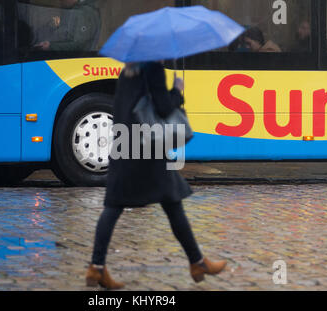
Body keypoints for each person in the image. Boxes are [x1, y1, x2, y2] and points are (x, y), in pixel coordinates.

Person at [85, 61, 227, 290]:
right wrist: (177, 91)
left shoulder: (128, 71)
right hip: (146, 150)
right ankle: (198, 263)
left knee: (114, 206)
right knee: (172, 201)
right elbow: (162, 108)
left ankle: (96, 267)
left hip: (123, 145)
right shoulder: (153, 69)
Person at [34, 0, 100, 51]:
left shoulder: (83, 12)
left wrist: (51, 46)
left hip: (77, 60)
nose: (61, 2)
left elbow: (79, 44)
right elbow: (64, 34)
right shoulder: (74, 10)